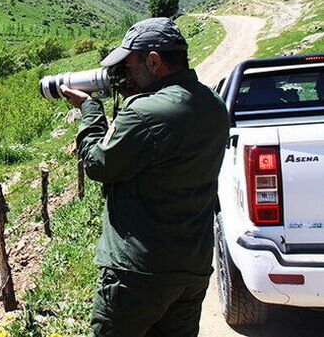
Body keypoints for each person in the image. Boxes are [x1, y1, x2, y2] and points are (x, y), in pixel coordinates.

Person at [60, 17, 230, 337]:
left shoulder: (145, 111)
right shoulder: (214, 104)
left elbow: (99, 165)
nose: (124, 74)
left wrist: (90, 111)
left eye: (128, 65)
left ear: (153, 61)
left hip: (138, 272)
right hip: (191, 268)